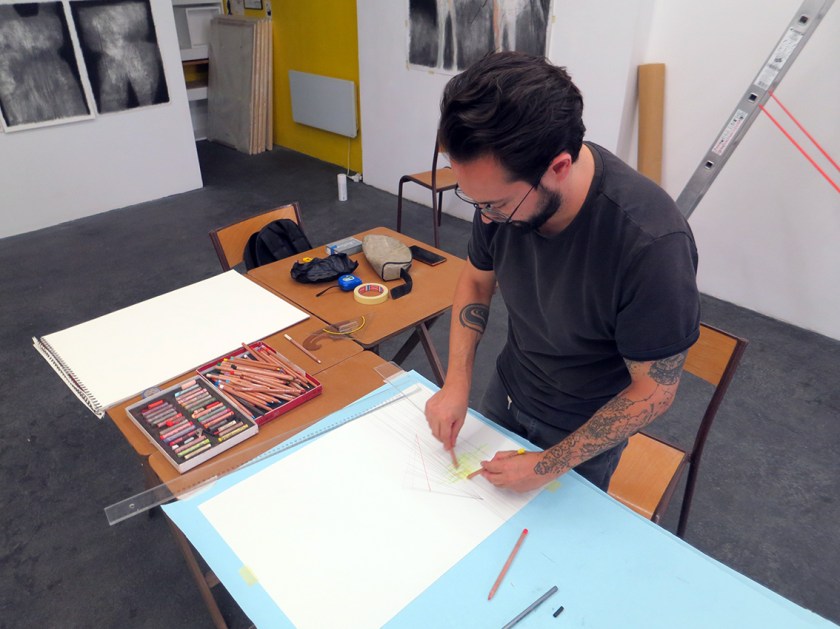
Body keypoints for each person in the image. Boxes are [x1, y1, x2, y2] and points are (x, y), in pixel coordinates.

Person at [424, 52, 700, 493]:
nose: (486, 218)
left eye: (495, 205)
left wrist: (546, 465)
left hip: (583, 431)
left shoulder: (651, 244)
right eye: (475, 201)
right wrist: (456, 382)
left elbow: (655, 390)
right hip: (509, 387)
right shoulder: (500, 191)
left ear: (558, 168)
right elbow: (476, 280)